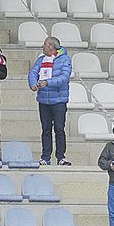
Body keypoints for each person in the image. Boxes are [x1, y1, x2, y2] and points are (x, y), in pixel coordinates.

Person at [28, 36, 71, 166]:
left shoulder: (64, 59)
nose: (43, 46)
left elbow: (64, 78)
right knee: (46, 130)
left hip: (58, 100)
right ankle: (45, 157)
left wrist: (47, 83)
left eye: (45, 44)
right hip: (43, 100)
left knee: (59, 129)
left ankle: (61, 157)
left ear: (52, 46)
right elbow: (33, 73)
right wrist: (33, 84)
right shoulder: (41, 59)